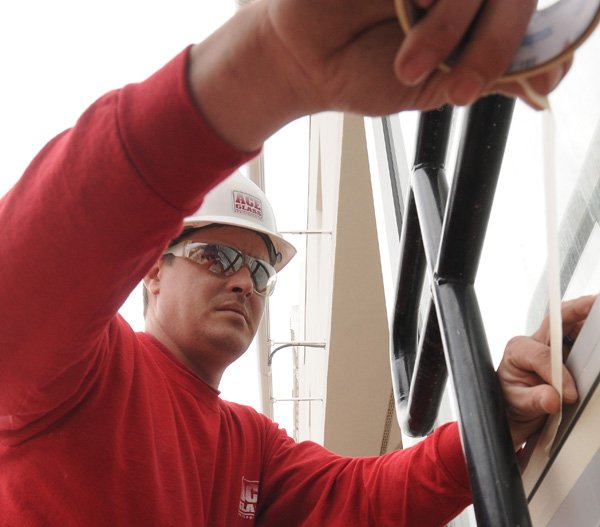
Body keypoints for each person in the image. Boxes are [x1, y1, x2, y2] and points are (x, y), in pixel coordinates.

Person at [0, 0, 583, 525]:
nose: (242, 283)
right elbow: (37, 264)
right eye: (217, 255)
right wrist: (266, 66)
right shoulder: (82, 369)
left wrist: (493, 420)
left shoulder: (251, 444)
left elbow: (365, 499)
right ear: (153, 269)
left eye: (259, 271)